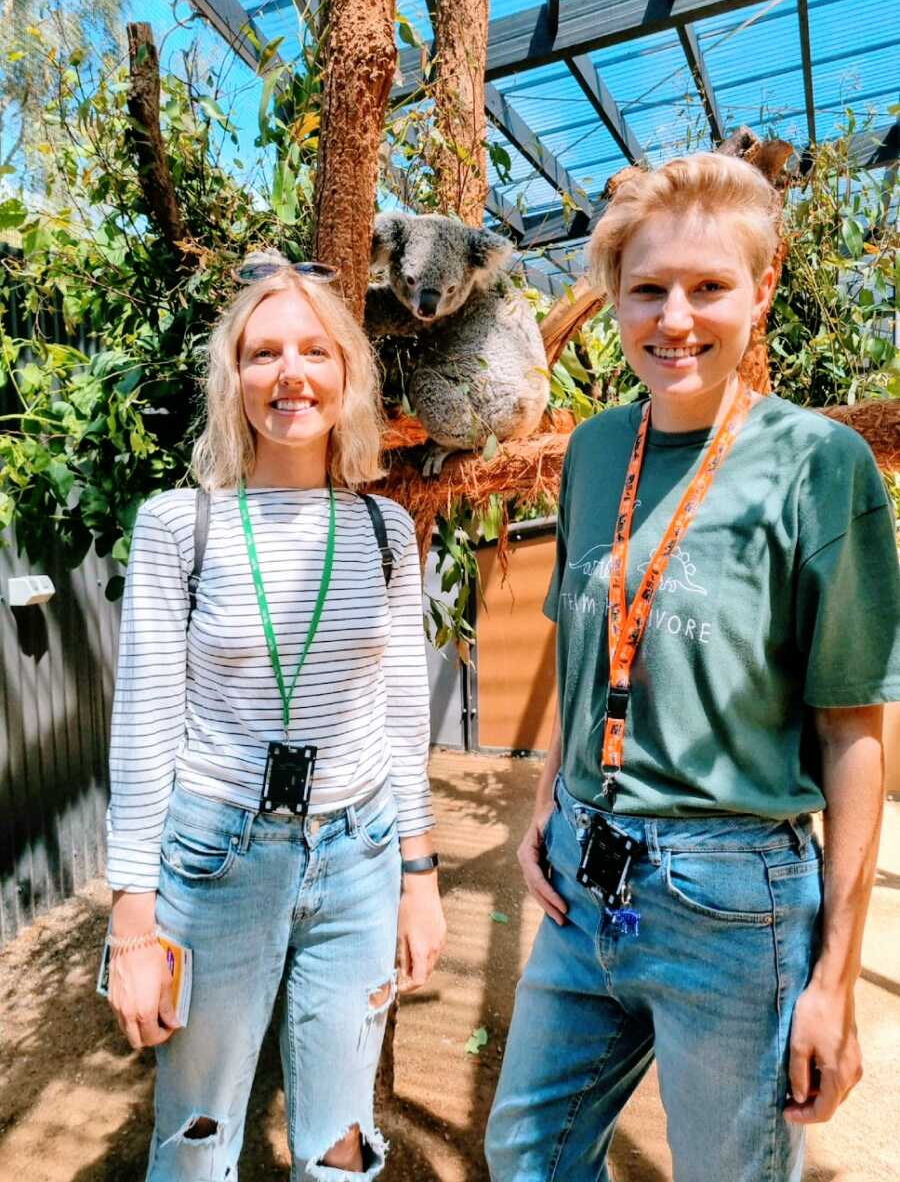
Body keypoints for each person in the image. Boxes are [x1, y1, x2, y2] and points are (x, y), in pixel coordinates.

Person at [485, 153, 900, 1181]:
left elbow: (853, 734)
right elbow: (584, 654)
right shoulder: (593, 450)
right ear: (614, 298)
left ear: (760, 290)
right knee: (526, 1152)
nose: (676, 318)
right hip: (583, 881)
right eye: (648, 289)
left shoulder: (818, 464)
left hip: (732, 897)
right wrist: (547, 799)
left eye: (709, 287)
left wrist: (834, 981)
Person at [105, 251, 446, 1181]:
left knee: (339, 1135)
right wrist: (132, 928)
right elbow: (141, 733)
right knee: (197, 1133)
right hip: (218, 858)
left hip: (362, 857)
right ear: (236, 377)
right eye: (263, 354)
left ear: (346, 373)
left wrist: (420, 878)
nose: (290, 374)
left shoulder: (384, 532)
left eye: (314, 351)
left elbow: (400, 720)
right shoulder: (182, 524)